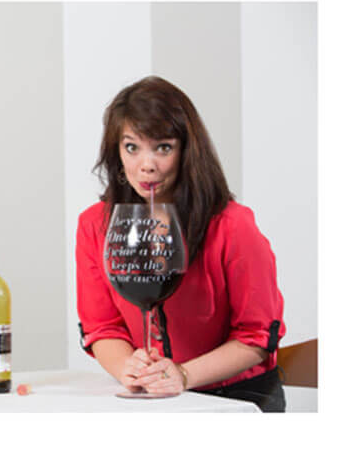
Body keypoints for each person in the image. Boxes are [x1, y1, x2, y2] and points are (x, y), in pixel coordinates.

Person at [76, 76, 286, 412]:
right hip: (154, 400)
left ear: (186, 151)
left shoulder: (232, 225)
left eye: (163, 147)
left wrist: (184, 375)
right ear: (117, 153)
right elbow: (102, 327)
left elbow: (257, 336)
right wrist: (127, 368)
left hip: (239, 399)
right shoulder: (95, 226)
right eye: (132, 147)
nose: (147, 165)